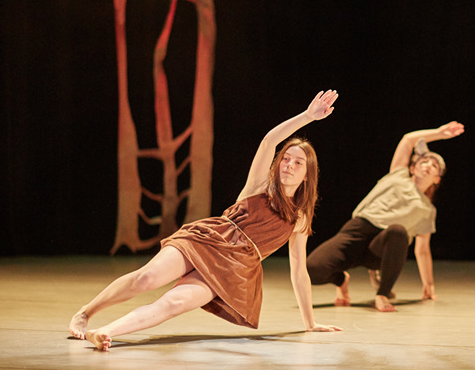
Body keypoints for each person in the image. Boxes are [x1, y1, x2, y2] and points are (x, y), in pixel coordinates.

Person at [69, 90, 343, 350]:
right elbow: (269, 142)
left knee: (174, 303)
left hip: (234, 268)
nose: (289, 165)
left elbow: (299, 271)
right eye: (286, 159)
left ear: (307, 175)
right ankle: (86, 313)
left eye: (298, 163)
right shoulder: (260, 186)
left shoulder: (299, 219)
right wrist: (307, 117)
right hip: (209, 239)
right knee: (146, 278)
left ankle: (107, 332)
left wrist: (310, 323)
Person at [306, 121, 465, 312]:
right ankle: (341, 280)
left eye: (434, 165)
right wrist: (439, 133)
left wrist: (429, 285)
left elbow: (422, 250)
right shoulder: (398, 174)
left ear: (437, 178)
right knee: (311, 270)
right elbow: (408, 140)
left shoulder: (428, 210)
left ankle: (382, 293)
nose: (428, 166)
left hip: (381, 247)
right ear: (413, 168)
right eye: (424, 162)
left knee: (398, 231)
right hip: (357, 231)